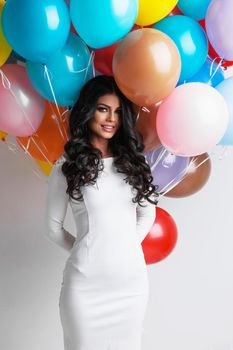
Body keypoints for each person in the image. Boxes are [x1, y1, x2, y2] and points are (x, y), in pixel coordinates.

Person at [44, 75, 159, 350]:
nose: (111, 119)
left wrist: (126, 245)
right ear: (88, 111)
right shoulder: (67, 166)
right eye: (103, 109)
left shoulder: (133, 161)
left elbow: (148, 214)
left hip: (130, 286)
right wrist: (86, 248)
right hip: (85, 289)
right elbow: (52, 228)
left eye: (118, 111)